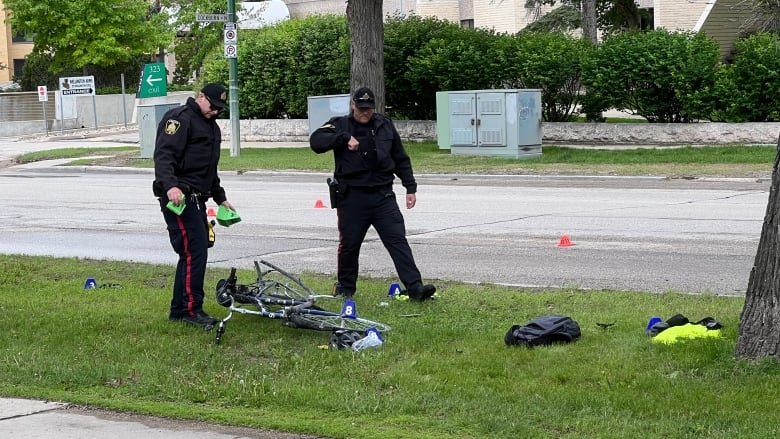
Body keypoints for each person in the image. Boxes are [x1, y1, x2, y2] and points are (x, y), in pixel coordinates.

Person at [310, 87, 436, 301]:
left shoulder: (384, 124)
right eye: (360, 108)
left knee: (397, 240)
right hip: (352, 198)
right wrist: (343, 138)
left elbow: (399, 157)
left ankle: (415, 287)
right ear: (353, 105)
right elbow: (316, 142)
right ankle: (346, 288)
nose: (364, 113)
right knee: (350, 245)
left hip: (383, 196)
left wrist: (410, 186)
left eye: (368, 109)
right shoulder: (340, 124)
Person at [152, 83, 237, 329]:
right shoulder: (179, 119)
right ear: (201, 97)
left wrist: (220, 197)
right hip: (178, 197)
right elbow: (164, 156)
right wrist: (171, 186)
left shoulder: (211, 126)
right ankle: (191, 310)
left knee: (193, 252)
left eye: (220, 108)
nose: (215, 112)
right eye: (212, 106)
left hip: (198, 197)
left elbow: (210, 169)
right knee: (194, 253)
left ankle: (179, 310)